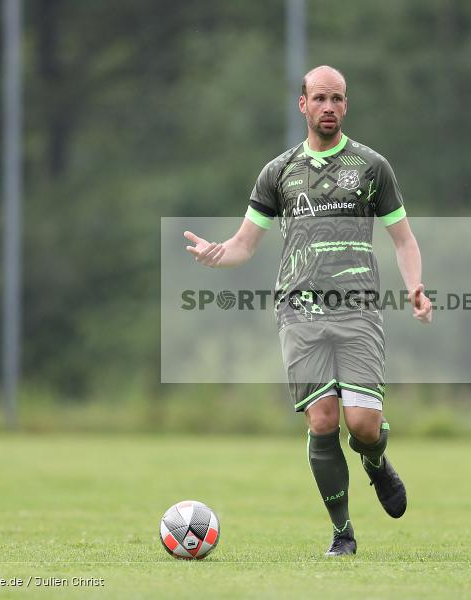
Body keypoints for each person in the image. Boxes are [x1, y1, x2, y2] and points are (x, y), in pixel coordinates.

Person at [183, 65, 432, 555]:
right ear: (303, 105)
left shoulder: (371, 167)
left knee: (362, 424)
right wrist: (218, 254)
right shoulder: (279, 173)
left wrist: (416, 287)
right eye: (319, 98)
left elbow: (403, 239)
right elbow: (244, 244)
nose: (329, 107)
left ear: (346, 105)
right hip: (299, 312)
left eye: (337, 98)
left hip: (359, 310)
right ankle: (343, 534)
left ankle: (376, 462)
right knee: (322, 421)